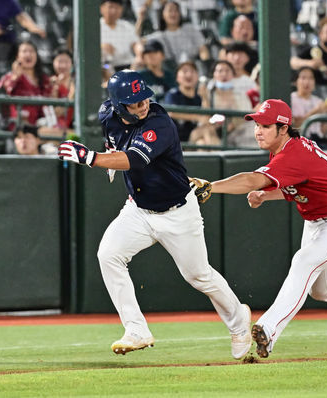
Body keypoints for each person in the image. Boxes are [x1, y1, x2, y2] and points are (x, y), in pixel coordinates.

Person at [56, 70, 252, 359]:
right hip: (138, 209)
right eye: (134, 103)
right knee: (108, 254)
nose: (143, 105)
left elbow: (134, 159)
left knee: (199, 276)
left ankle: (239, 322)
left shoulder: (159, 123)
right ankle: (136, 329)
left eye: (144, 98)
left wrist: (92, 158)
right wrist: (109, 153)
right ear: (120, 106)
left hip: (177, 211)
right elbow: (115, 141)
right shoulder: (107, 114)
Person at [204, 99, 327, 358]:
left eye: (265, 125)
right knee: (321, 289)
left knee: (303, 262)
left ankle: (268, 329)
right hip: (317, 222)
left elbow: (252, 179)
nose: (258, 130)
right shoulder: (285, 150)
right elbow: (299, 188)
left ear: (283, 128)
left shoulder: (295, 153)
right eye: (256, 124)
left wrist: (211, 186)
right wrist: (266, 196)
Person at [0, 40, 50, 130]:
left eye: (32, 51)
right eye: (24, 51)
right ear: (17, 57)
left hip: (40, 123)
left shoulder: (44, 79)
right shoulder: (10, 77)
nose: (28, 54)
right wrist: (14, 78)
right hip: (18, 125)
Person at [142, 0, 210, 63]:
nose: (173, 13)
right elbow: (141, 42)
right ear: (162, 15)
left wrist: (205, 63)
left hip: (193, 67)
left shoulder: (190, 29)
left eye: (176, 10)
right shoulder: (159, 36)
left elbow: (203, 49)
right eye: (170, 10)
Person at [290, 66, 327, 146]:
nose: (307, 82)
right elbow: (294, 125)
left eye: (311, 78)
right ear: (296, 81)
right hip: (300, 142)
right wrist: (315, 112)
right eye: (303, 78)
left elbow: (323, 131)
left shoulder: (319, 101)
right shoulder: (291, 99)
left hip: (318, 142)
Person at [164, 61, 208, 142]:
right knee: (205, 132)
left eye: (192, 71)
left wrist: (205, 98)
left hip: (195, 136)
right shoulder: (173, 94)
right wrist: (197, 117)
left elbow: (205, 118)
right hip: (178, 140)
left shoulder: (200, 97)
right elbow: (171, 112)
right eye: (184, 71)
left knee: (201, 142)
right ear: (177, 77)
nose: (189, 74)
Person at [100, 0, 140, 70]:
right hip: (108, 66)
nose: (114, 11)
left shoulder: (127, 25)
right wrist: (101, 47)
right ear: (101, 8)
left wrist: (139, 54)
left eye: (117, 8)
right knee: (105, 66)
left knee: (140, 63)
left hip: (129, 65)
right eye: (110, 7)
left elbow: (136, 44)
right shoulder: (95, 26)